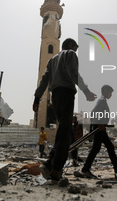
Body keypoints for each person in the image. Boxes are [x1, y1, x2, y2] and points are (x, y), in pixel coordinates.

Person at [33, 38, 97, 181]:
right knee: (64, 131)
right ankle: (55, 168)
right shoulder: (70, 54)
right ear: (70, 45)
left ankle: (50, 163)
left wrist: (37, 98)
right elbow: (73, 72)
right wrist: (86, 90)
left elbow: (44, 80)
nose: (76, 51)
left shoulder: (52, 60)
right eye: (75, 48)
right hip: (66, 93)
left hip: (55, 95)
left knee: (65, 131)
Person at [82, 85, 117, 178]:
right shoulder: (101, 101)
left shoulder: (103, 101)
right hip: (99, 128)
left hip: (101, 128)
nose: (110, 94)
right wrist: (98, 124)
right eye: (110, 92)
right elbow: (93, 114)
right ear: (104, 91)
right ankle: (86, 169)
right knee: (97, 148)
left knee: (109, 147)